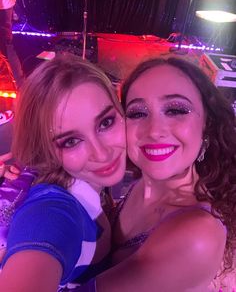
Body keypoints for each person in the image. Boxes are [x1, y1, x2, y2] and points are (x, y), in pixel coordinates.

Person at [92, 57, 236, 291]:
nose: (154, 131)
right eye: (138, 113)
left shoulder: (197, 234)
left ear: (207, 124)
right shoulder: (141, 183)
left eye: (176, 110)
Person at [0, 53, 126, 291]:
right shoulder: (53, 211)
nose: (101, 154)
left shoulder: (90, 183)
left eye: (105, 123)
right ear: (46, 148)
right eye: (70, 141)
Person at [0, 0, 24, 87]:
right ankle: (19, 83)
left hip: (3, 8)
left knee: (6, 46)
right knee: (6, 45)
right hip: (5, 6)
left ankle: (19, 83)